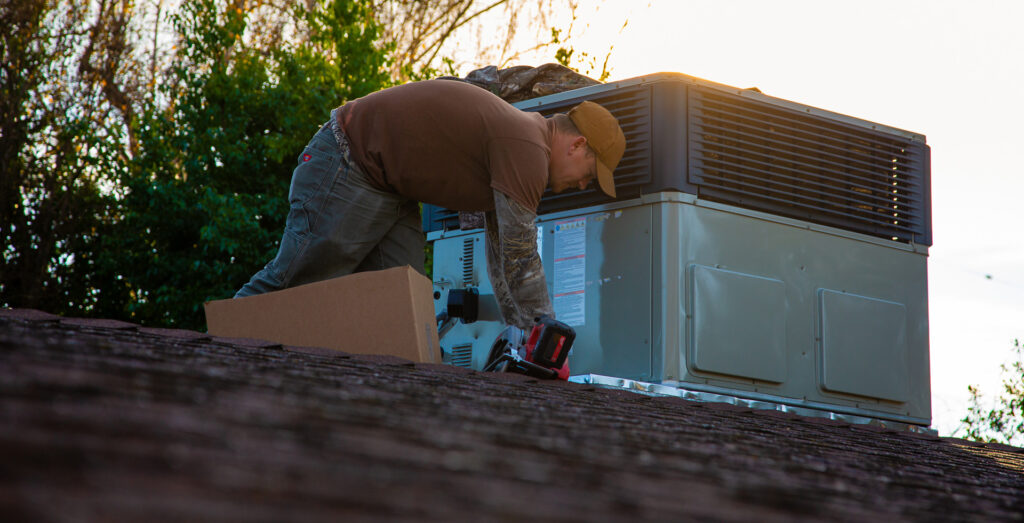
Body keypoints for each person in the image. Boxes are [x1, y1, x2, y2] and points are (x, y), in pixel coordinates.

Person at [234, 79, 625, 331]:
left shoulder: (523, 142)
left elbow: (501, 252)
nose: (584, 183)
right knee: (295, 285)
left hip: (388, 187)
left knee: (404, 316)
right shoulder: (528, 147)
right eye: (591, 172)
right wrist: (548, 332)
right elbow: (521, 253)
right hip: (348, 159)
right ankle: (210, 350)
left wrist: (528, 331)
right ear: (577, 145)